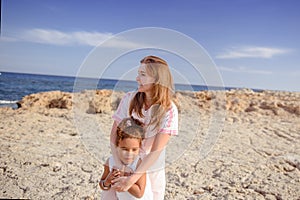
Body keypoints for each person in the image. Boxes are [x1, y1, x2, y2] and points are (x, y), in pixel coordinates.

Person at [105, 55, 178, 200]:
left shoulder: (169, 110)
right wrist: (120, 165)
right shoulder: (129, 99)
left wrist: (131, 180)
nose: (137, 78)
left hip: (150, 167)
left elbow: (156, 150)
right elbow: (114, 136)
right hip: (125, 160)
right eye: (138, 74)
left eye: (142, 75)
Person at [100, 117, 153, 200]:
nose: (129, 154)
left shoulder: (139, 164)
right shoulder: (111, 161)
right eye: (124, 149)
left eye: (134, 149)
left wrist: (125, 178)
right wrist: (107, 181)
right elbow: (102, 185)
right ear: (117, 146)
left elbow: (139, 193)